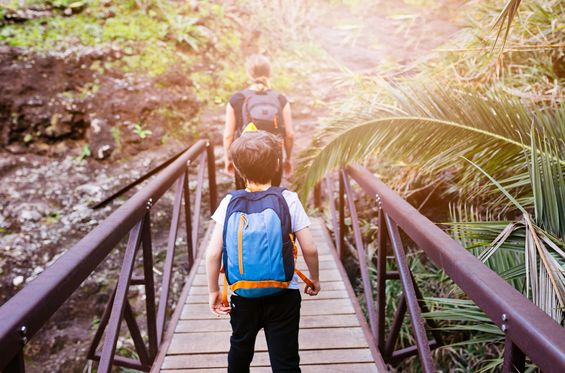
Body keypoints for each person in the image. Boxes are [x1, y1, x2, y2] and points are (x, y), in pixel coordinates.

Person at [206, 131, 320, 372]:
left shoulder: (229, 202)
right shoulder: (288, 199)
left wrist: (214, 291)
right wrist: (315, 278)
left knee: (239, 350)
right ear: (277, 163)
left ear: (237, 168)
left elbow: (213, 254)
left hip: (242, 295)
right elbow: (310, 247)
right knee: (285, 359)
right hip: (284, 293)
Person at [223, 54, 294, 189]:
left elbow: (228, 136)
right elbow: (289, 134)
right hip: (273, 159)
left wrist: (229, 159)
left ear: (249, 74)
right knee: (272, 197)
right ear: (269, 72)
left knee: (245, 198)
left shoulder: (237, 99)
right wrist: (288, 159)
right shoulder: (280, 99)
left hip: (244, 159)